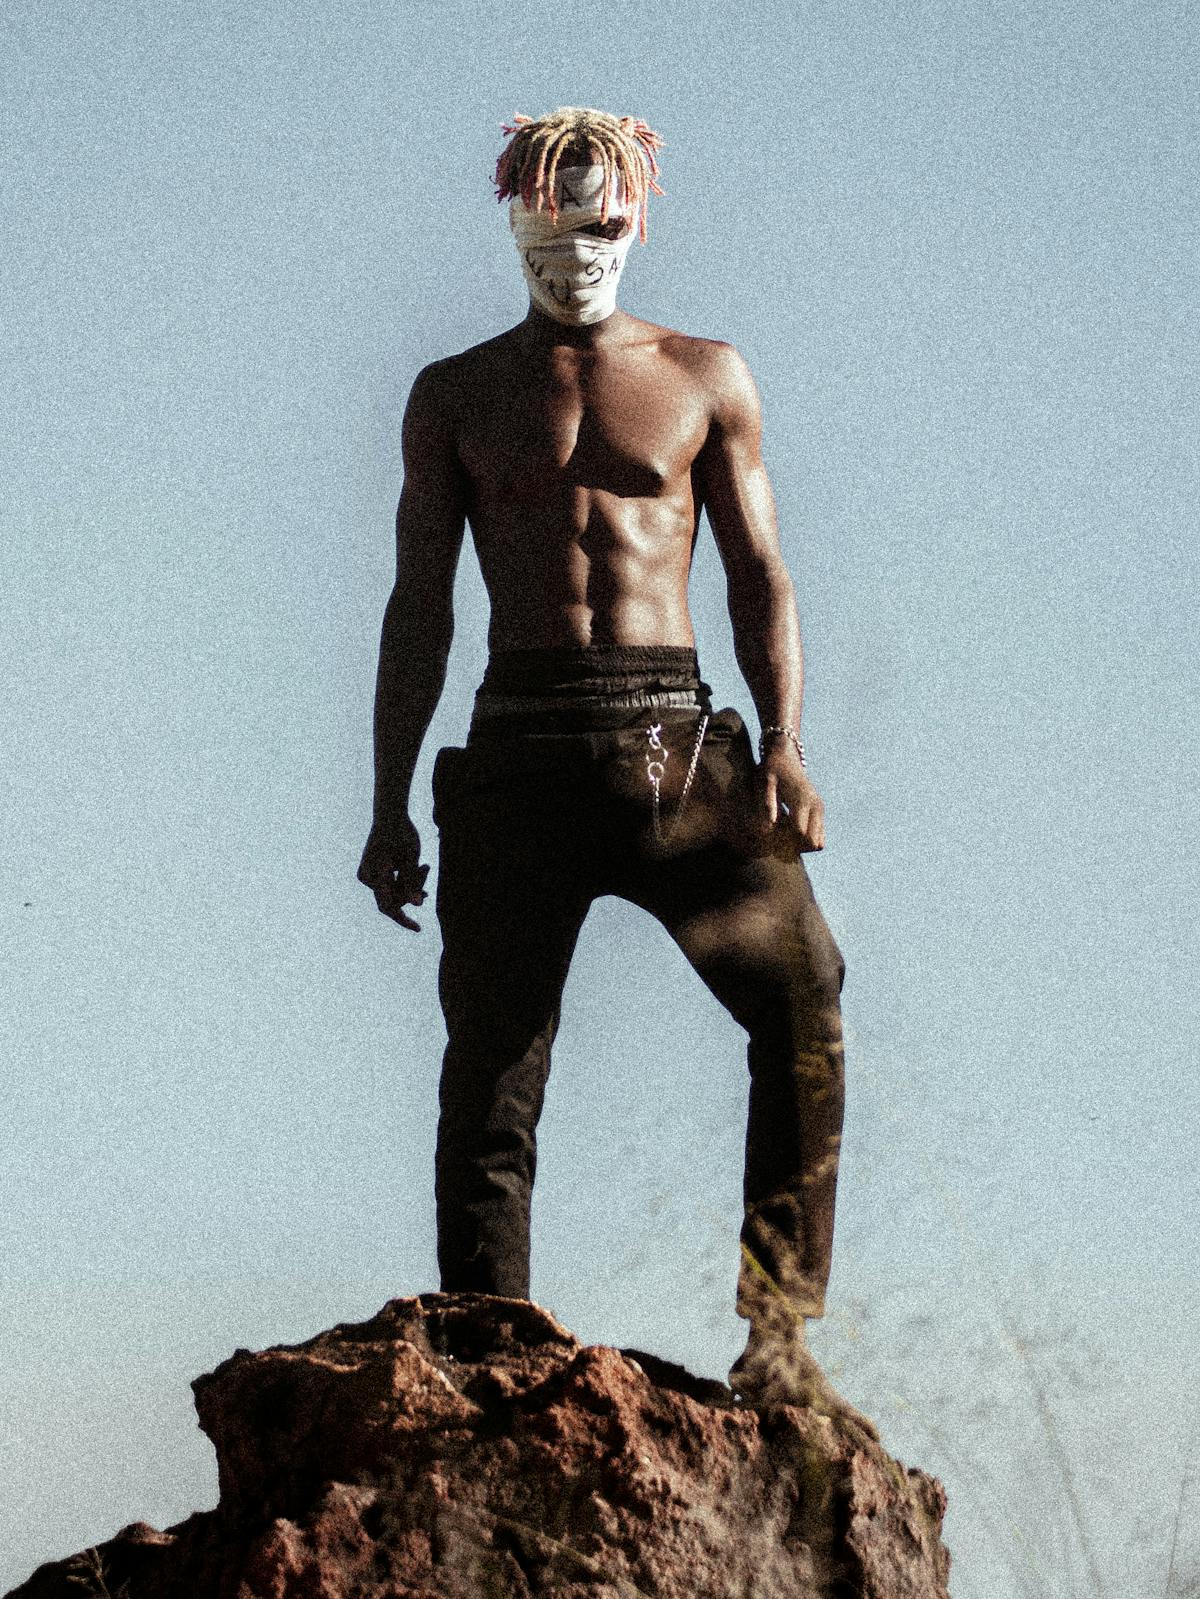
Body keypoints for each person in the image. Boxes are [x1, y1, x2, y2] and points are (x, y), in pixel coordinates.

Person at [358, 106, 874, 1433]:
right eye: (548, 220)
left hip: (676, 749)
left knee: (805, 1000)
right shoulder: (457, 394)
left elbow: (762, 573)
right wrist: (386, 798)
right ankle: (489, 1358)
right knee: (492, 1069)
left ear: (633, 222)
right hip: (518, 750)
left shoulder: (706, 377)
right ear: (513, 220)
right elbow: (419, 601)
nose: (574, 247)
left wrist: (787, 750)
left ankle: (780, 1337)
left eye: (598, 222)